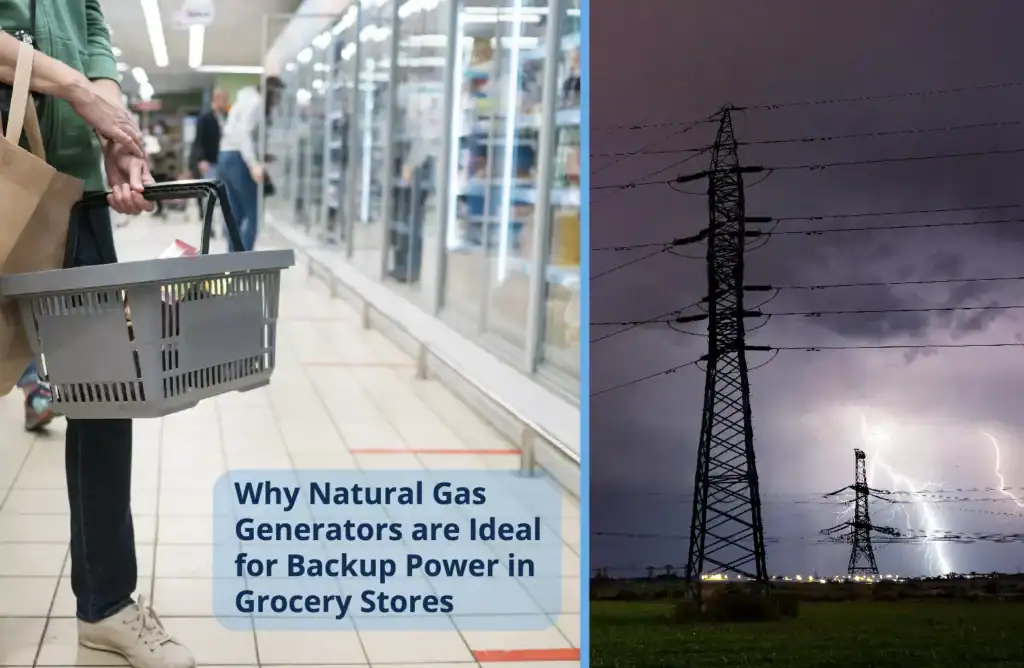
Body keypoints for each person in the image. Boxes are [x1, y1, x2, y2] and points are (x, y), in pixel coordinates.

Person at [0, 8, 196, 668]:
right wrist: (77, 92)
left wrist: (111, 130)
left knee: (106, 392)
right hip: (6, 176)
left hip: (76, 190)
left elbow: (91, 35)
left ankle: (107, 606)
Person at [218, 77, 283, 252]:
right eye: (278, 97)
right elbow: (244, 135)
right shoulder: (256, 104)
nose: (278, 102)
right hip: (239, 161)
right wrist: (253, 164)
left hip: (226, 157)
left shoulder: (243, 100)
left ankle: (233, 262)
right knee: (253, 214)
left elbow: (235, 133)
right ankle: (244, 262)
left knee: (235, 214)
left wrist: (261, 155)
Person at [188, 88, 226, 231]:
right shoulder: (205, 118)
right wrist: (201, 159)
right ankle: (209, 227)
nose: (222, 102)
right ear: (214, 100)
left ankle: (225, 227)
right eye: (220, 98)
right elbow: (199, 140)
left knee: (224, 197)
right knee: (209, 197)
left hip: (224, 161)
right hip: (210, 162)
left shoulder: (227, 117)